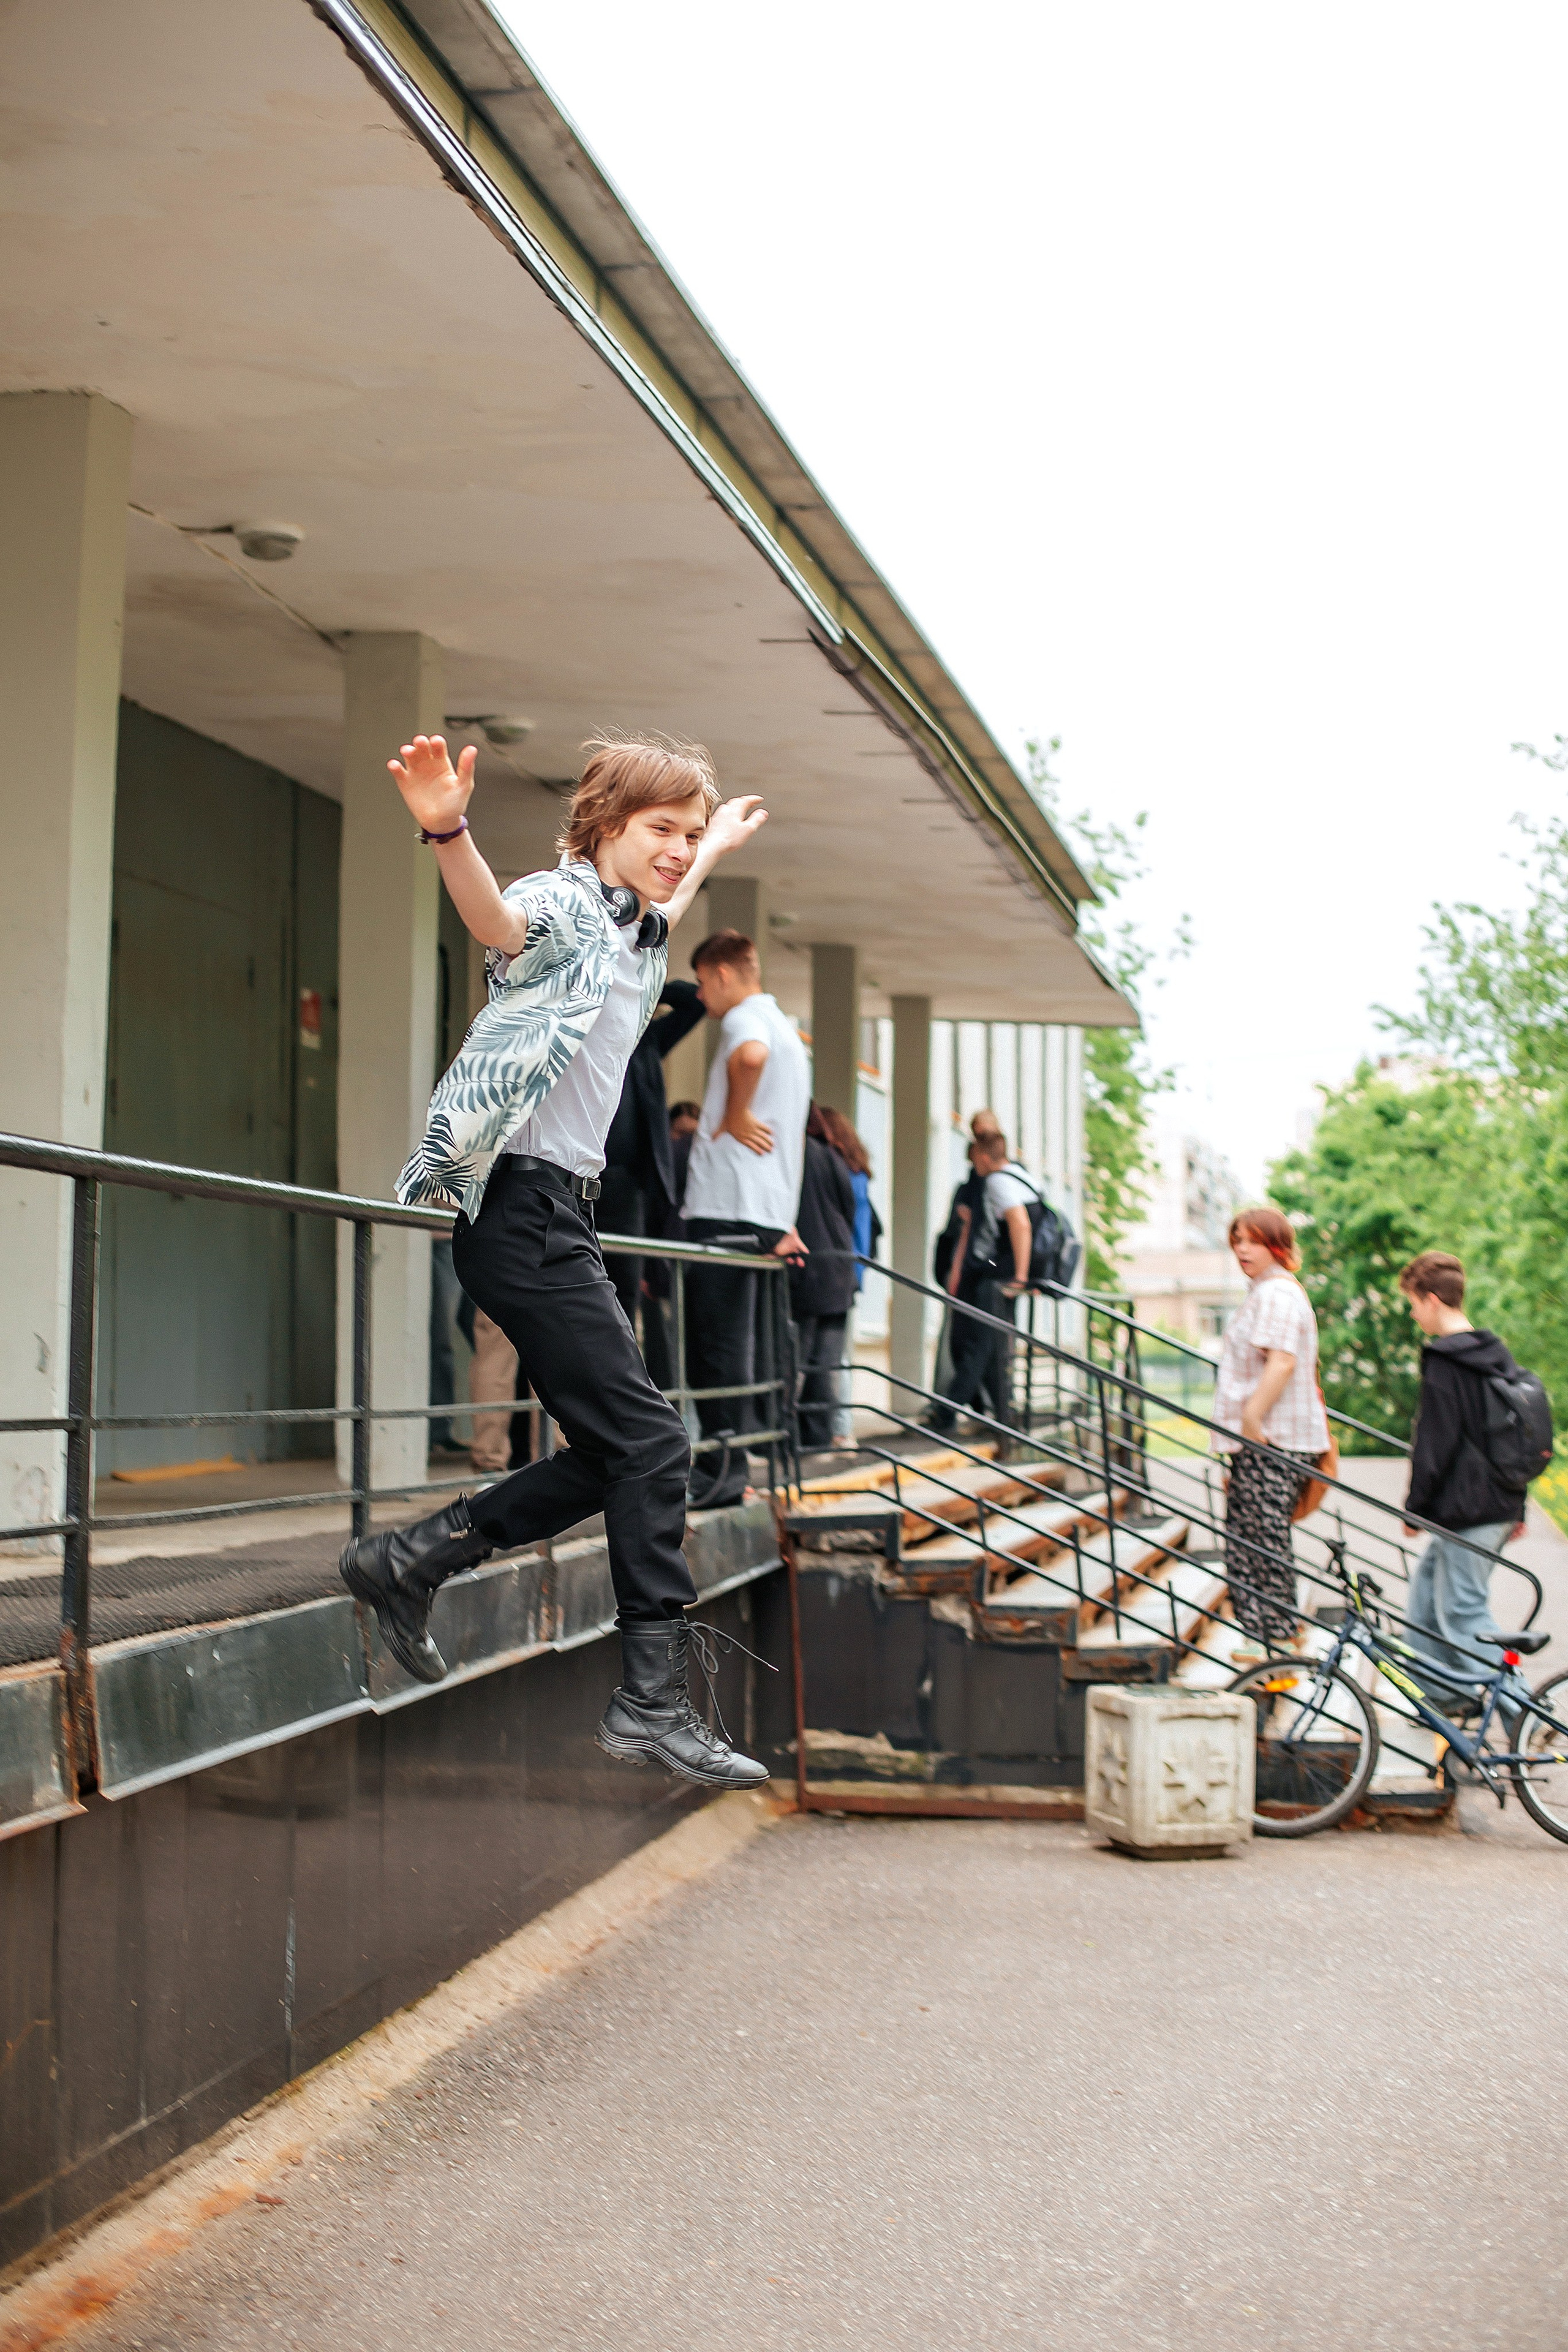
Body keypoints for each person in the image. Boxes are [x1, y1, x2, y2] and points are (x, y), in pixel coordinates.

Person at [338, 729, 772, 1792]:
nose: (677, 850)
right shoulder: (569, 903)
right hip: (525, 1217)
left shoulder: (633, 925)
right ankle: (650, 1703)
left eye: (685, 834)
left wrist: (710, 841)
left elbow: (664, 898)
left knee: (624, 1451)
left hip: (560, 1221)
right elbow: (496, 917)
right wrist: (446, 825)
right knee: (655, 1445)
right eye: (659, 832)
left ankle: (410, 1559)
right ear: (606, 829)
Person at [680, 929, 809, 1504]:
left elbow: (747, 1058)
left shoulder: (745, 1022)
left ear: (725, 975)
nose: (702, 999)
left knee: (717, 1343)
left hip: (726, 1204)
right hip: (763, 1209)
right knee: (743, 1342)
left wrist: (733, 1114)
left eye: (705, 985)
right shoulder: (787, 1027)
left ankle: (721, 1472)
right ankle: (738, 1465)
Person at [1398, 1251, 1527, 1701]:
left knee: (1463, 1613)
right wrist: (1519, 1506)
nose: (1414, 1315)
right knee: (1425, 1605)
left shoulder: (1446, 1361)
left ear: (1433, 1300)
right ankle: (1446, 1700)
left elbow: (1435, 1443)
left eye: (1414, 1304)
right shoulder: (1495, 1352)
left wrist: (1414, 1508)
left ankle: (1527, 1719)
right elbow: (1511, 1437)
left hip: (1470, 1509)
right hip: (1493, 1505)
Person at [1211, 1206, 1329, 1655]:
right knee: (1249, 1535)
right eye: (1237, 1240)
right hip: (1263, 1440)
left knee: (1261, 1536)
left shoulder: (1276, 1293)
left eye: (1253, 1241)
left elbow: (1282, 1360)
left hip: (1272, 1438)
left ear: (1276, 1245)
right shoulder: (1266, 1291)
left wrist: (1251, 1419)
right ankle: (1263, 1637)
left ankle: (1276, 1637)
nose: (1242, 1249)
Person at [929, 1129, 1033, 1433]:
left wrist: (1020, 1277)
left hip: (998, 1273)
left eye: (975, 1161)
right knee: (988, 1345)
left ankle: (949, 1414)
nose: (973, 1168)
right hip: (1001, 1270)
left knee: (977, 1344)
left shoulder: (998, 1181)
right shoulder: (1022, 1178)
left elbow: (1021, 1225)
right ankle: (1001, 1417)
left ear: (984, 1158)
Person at [790, 1106, 859, 1450]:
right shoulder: (833, 1157)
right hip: (838, 1267)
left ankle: (787, 1436)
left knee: (795, 1360)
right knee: (826, 1361)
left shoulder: (794, 1153)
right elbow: (850, 1207)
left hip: (806, 1267)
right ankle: (818, 1436)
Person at [812, 1103, 880, 1444]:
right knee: (837, 1355)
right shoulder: (857, 1172)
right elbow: (862, 1230)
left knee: (825, 1357)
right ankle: (840, 1428)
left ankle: (835, 1428)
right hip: (849, 1268)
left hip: (832, 1267)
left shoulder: (830, 1167)